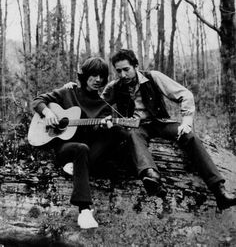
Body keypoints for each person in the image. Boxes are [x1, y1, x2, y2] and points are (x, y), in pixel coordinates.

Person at [101, 49, 236, 211]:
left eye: (126, 69)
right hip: (137, 127)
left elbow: (185, 95)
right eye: (118, 71)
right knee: (132, 134)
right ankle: (151, 177)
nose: (122, 74)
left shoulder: (153, 77)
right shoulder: (114, 87)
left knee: (189, 136)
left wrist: (186, 121)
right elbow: (99, 105)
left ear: (136, 66)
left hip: (160, 122)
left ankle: (219, 191)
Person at [32, 57, 130, 229]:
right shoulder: (68, 92)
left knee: (117, 132)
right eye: (93, 75)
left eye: (102, 76)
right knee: (80, 148)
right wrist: (47, 112)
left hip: (88, 154)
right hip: (66, 148)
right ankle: (84, 210)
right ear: (84, 76)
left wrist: (103, 126)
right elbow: (37, 100)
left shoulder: (103, 106)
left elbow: (99, 135)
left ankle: (78, 168)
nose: (98, 80)